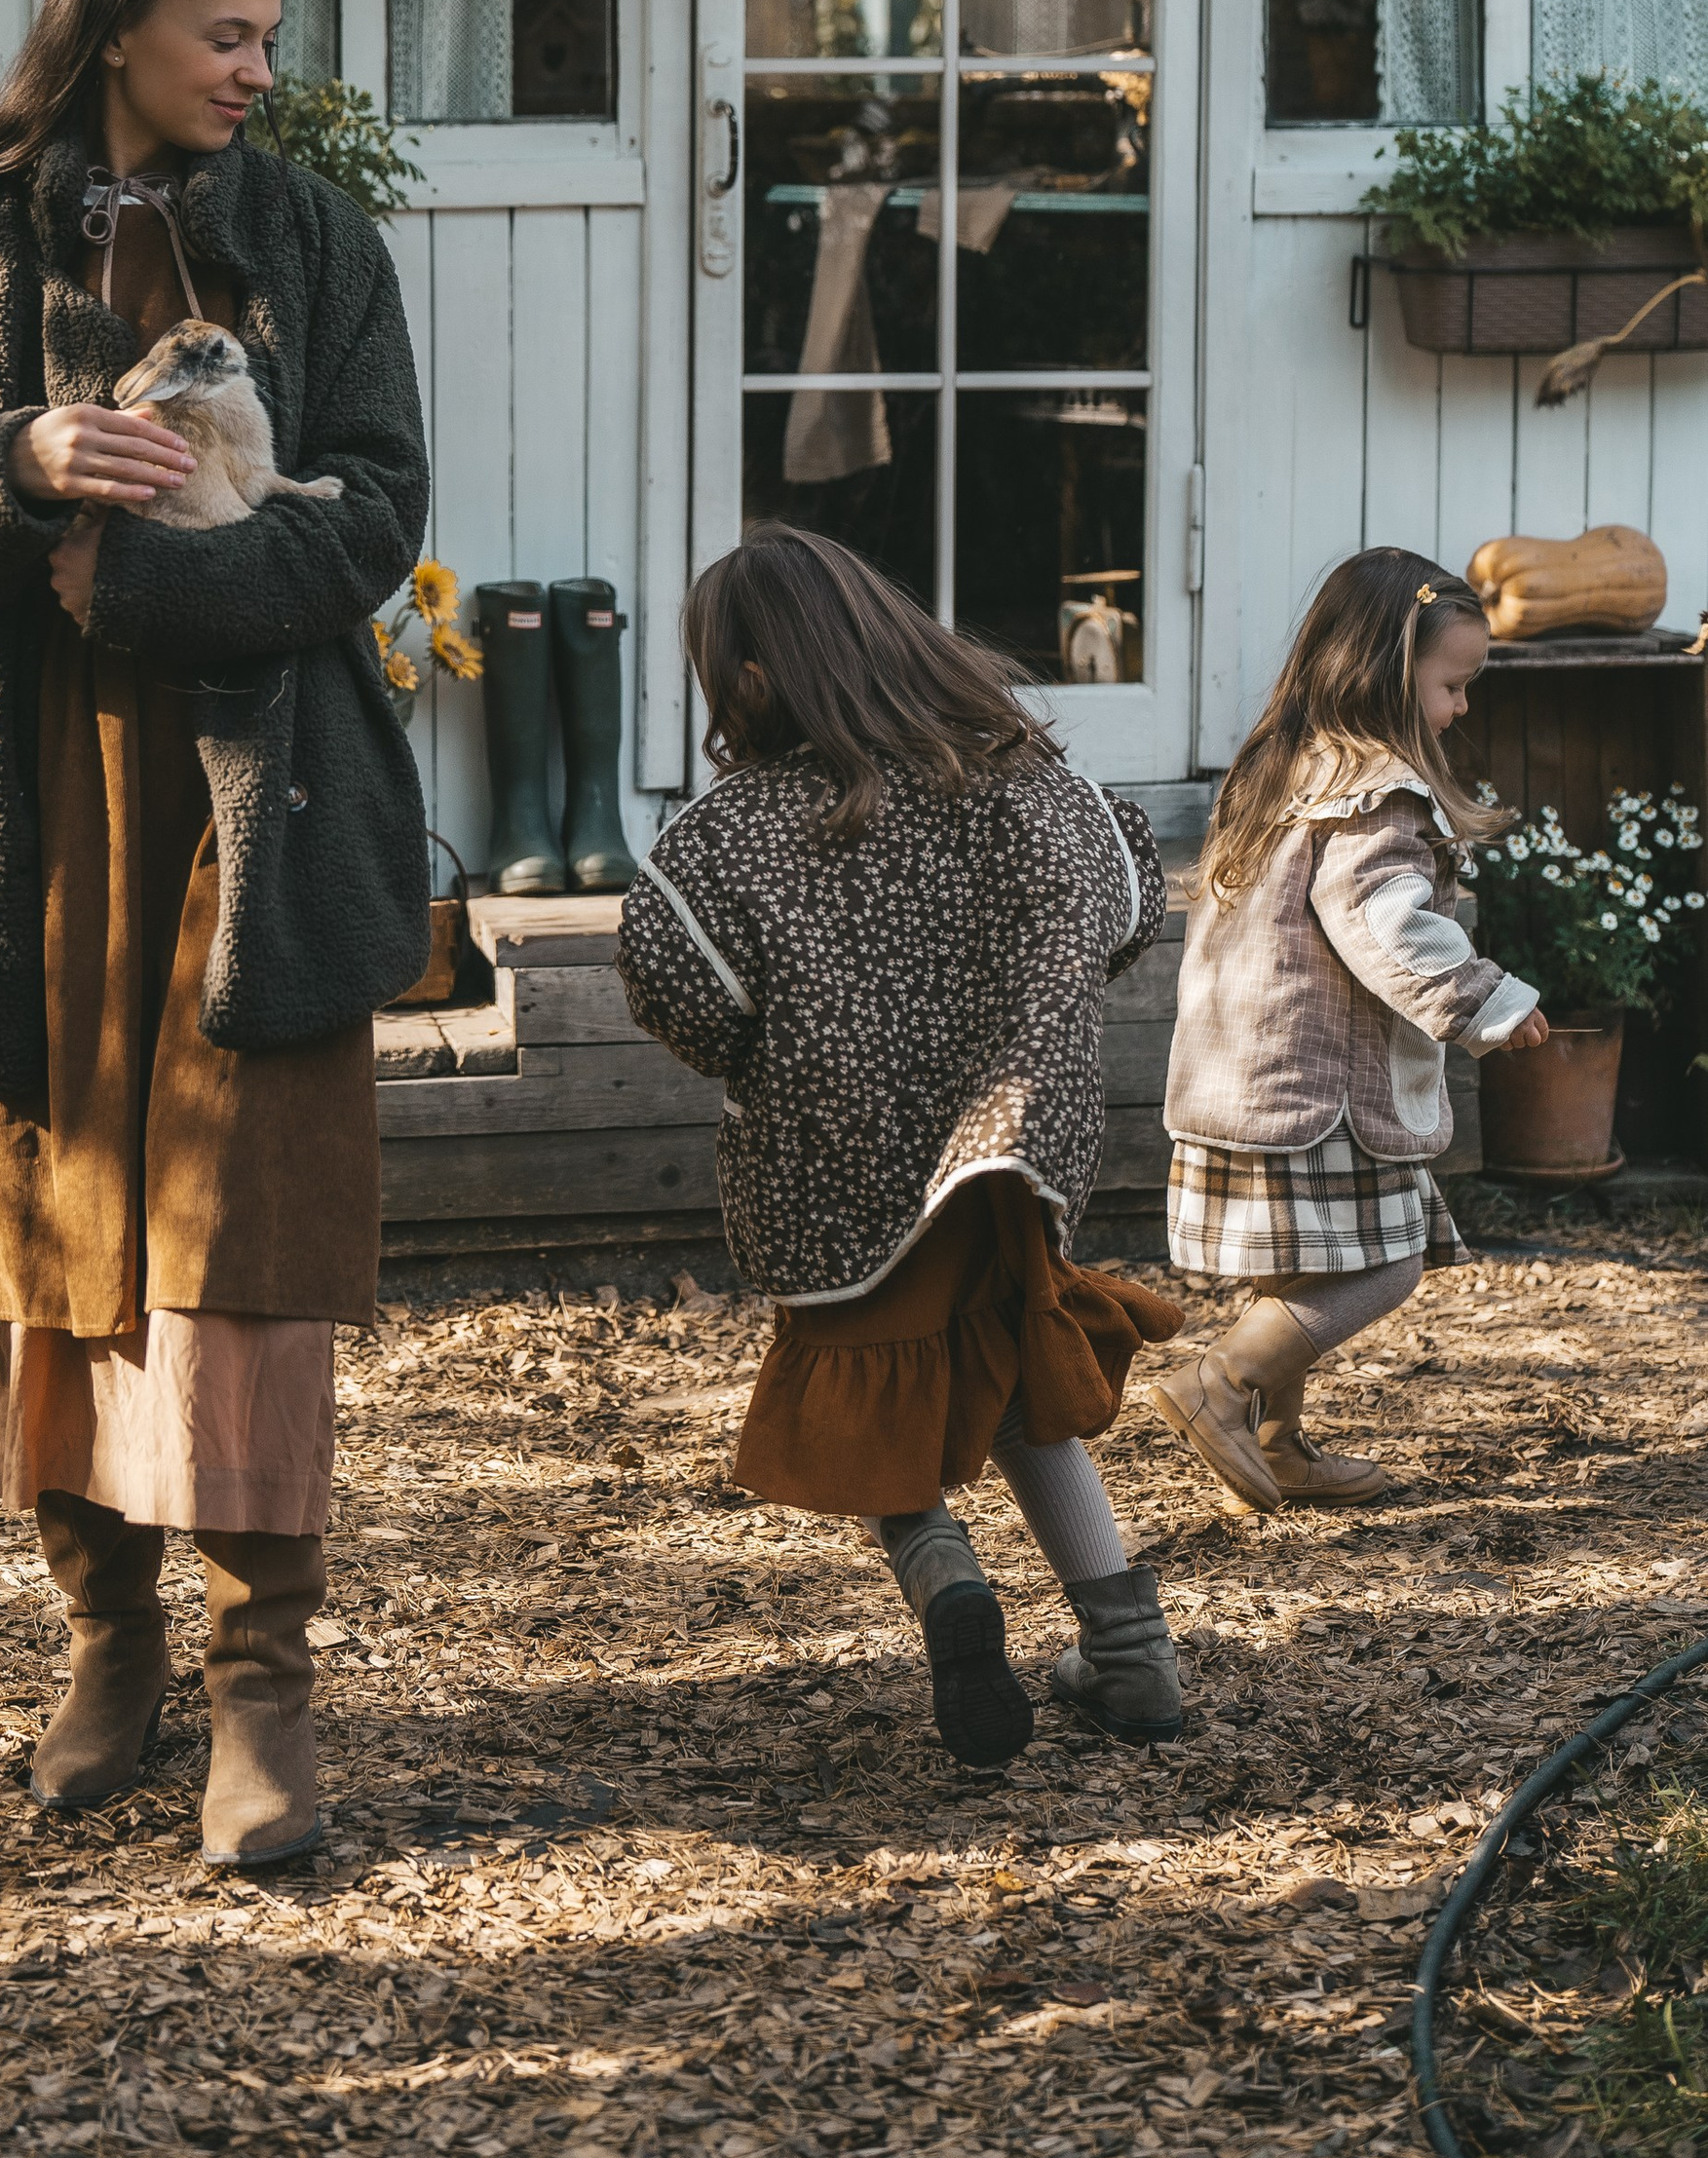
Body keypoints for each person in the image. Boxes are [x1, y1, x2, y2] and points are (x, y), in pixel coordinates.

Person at [0, 0, 431, 1869]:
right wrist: (19, 470)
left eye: (266, 32)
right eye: (225, 33)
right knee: (47, 1253)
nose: (258, 69)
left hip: (255, 820)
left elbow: (375, 525)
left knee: (242, 1257)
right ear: (115, 31)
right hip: (20, 834)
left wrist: (147, 576)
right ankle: (108, 1643)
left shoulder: (313, 245)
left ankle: (266, 1697)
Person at [616, 524, 1188, 1772]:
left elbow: (687, 997)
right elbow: (1129, 915)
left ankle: (944, 1582)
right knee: (1023, 1392)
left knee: (862, 1379)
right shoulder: (1037, 791)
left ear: (751, 683)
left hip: (836, 1176)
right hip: (1009, 1159)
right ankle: (1132, 1654)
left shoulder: (724, 843)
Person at [1153, 549, 1545, 1515]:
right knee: (1386, 1262)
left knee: (1306, 1266)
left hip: (1250, 1072)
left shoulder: (1284, 767)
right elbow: (1381, 922)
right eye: (1451, 684)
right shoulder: (1373, 788)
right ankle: (1222, 1386)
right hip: (1316, 1083)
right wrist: (1487, 997)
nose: (1458, 708)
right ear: (1381, 669)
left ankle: (1278, 1444)